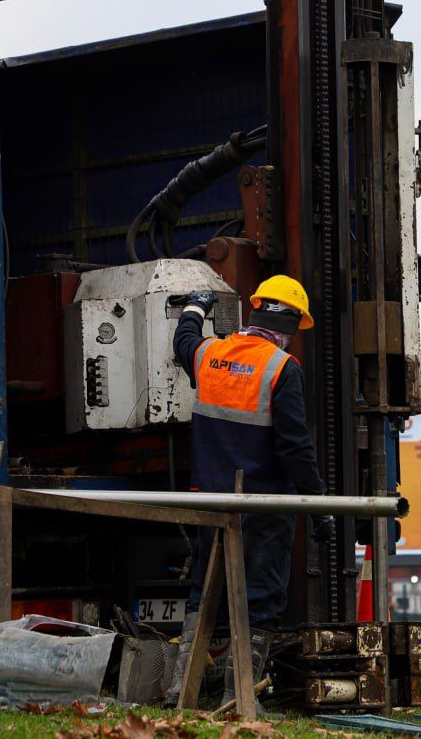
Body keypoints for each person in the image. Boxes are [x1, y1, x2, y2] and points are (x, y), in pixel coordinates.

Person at [163, 275, 335, 708]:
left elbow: (183, 338)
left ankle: (177, 691)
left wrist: (195, 307)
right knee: (260, 598)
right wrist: (319, 507)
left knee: (204, 591)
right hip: (263, 507)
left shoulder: (209, 354)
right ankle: (238, 698)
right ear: (292, 324)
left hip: (210, 502)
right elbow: (296, 448)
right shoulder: (282, 368)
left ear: (256, 308)